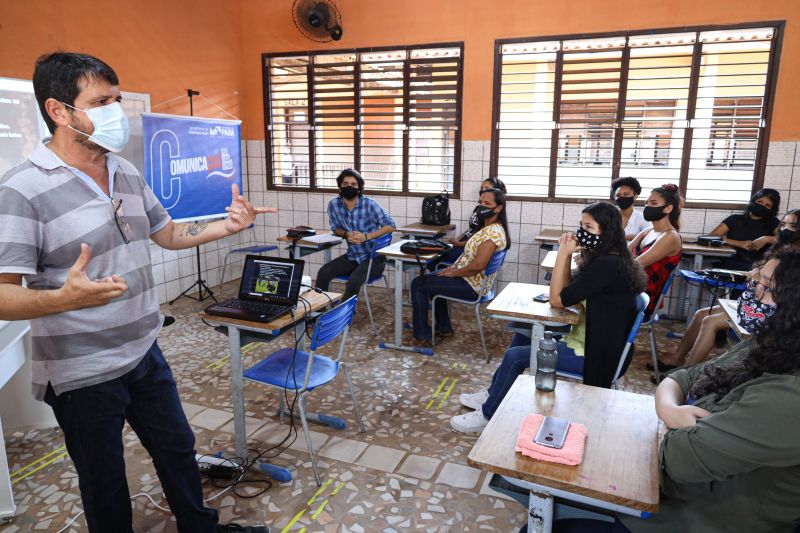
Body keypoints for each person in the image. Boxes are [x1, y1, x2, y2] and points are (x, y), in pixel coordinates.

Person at [0, 53, 275, 533]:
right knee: (104, 481)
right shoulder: (20, 191)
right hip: (81, 371)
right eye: (102, 101)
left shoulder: (124, 171)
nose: (117, 112)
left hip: (144, 351)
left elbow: (166, 234)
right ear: (59, 111)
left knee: (177, 449)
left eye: (118, 99)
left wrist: (225, 227)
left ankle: (200, 527)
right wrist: (64, 299)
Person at [553, 250, 800, 533]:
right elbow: (684, 375)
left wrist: (672, 422)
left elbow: (677, 461)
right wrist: (672, 411)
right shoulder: (770, 344)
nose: (755, 294)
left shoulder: (790, 398)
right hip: (669, 493)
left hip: (694, 518)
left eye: (768, 288)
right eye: (758, 281)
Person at [451, 202, 646, 435]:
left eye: (589, 227)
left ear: (608, 231)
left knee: (515, 357)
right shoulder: (609, 258)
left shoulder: (606, 266)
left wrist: (563, 253)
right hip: (593, 341)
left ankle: (487, 415)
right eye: (581, 226)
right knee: (522, 333)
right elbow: (566, 290)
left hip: (595, 356)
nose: (581, 233)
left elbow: (557, 299)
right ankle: (494, 393)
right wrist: (565, 258)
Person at [654, 209, 800, 373]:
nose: (785, 229)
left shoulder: (794, 259)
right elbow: (756, 274)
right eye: (783, 224)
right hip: (752, 303)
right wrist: (733, 274)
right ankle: (677, 359)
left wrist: (755, 276)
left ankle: (687, 373)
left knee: (710, 321)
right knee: (701, 313)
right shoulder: (780, 250)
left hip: (769, 312)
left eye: (793, 226)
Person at [410, 187, 510, 343]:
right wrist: (451, 269)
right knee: (432, 278)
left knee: (418, 284)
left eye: (487, 203)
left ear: (498, 208)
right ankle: (443, 327)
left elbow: (478, 266)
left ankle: (422, 335)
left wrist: (453, 273)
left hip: (472, 287)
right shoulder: (488, 227)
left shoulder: (492, 233)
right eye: (480, 202)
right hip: (471, 280)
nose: (481, 206)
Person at [314, 168, 396, 301]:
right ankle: (319, 313)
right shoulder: (334, 205)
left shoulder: (369, 204)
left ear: (359, 189)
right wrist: (345, 234)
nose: (349, 187)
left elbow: (391, 225)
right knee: (323, 273)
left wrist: (366, 236)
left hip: (374, 259)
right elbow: (336, 228)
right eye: (345, 184)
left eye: (353, 184)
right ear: (340, 188)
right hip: (353, 256)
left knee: (353, 282)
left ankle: (342, 315)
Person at [629, 184, 683, 318]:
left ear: (668, 208)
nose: (647, 207)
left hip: (643, 298)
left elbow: (635, 265)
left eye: (653, 203)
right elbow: (621, 253)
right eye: (646, 203)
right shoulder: (647, 231)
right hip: (630, 289)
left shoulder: (671, 237)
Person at [433, 177, 507, 268]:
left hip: (469, 249)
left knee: (436, 256)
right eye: (481, 188)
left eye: (486, 188)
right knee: (437, 250)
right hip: (464, 244)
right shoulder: (479, 209)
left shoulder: (489, 215)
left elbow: (479, 238)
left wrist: (461, 244)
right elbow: (472, 228)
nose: (483, 190)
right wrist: (457, 239)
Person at [709, 188, 781, 271]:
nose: (762, 206)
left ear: (772, 209)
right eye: (760, 202)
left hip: (756, 266)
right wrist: (739, 243)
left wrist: (766, 239)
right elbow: (711, 237)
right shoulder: (735, 219)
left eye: (767, 205)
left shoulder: (773, 222)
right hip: (728, 261)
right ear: (753, 200)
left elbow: (787, 240)